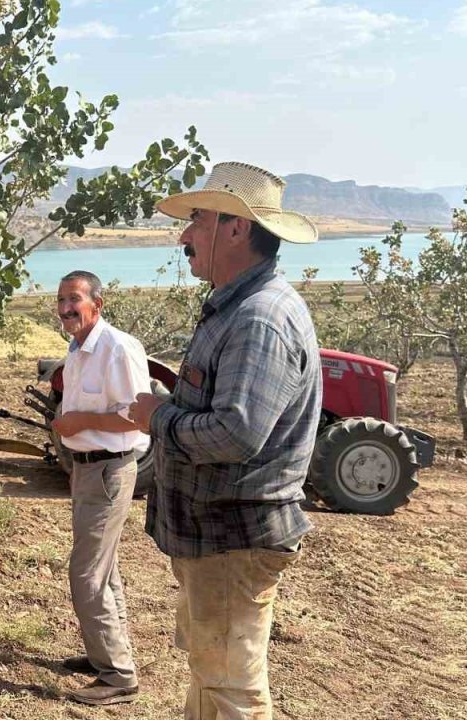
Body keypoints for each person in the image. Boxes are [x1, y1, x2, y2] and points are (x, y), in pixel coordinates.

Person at [127, 161, 323, 720]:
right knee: (213, 674)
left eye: (198, 220)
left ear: (236, 228)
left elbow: (235, 434)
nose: (185, 236)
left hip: (233, 536)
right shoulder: (238, 306)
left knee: (231, 685)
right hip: (219, 535)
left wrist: (158, 417)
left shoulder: (258, 319)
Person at [50, 270, 151, 706]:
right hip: (88, 470)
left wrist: (81, 423)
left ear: (97, 304)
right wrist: (75, 442)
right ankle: (106, 656)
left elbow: (139, 417)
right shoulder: (77, 349)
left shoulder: (117, 348)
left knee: (86, 574)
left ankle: (119, 675)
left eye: (74, 299)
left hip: (110, 470)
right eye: (61, 300)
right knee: (103, 571)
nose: (65, 308)